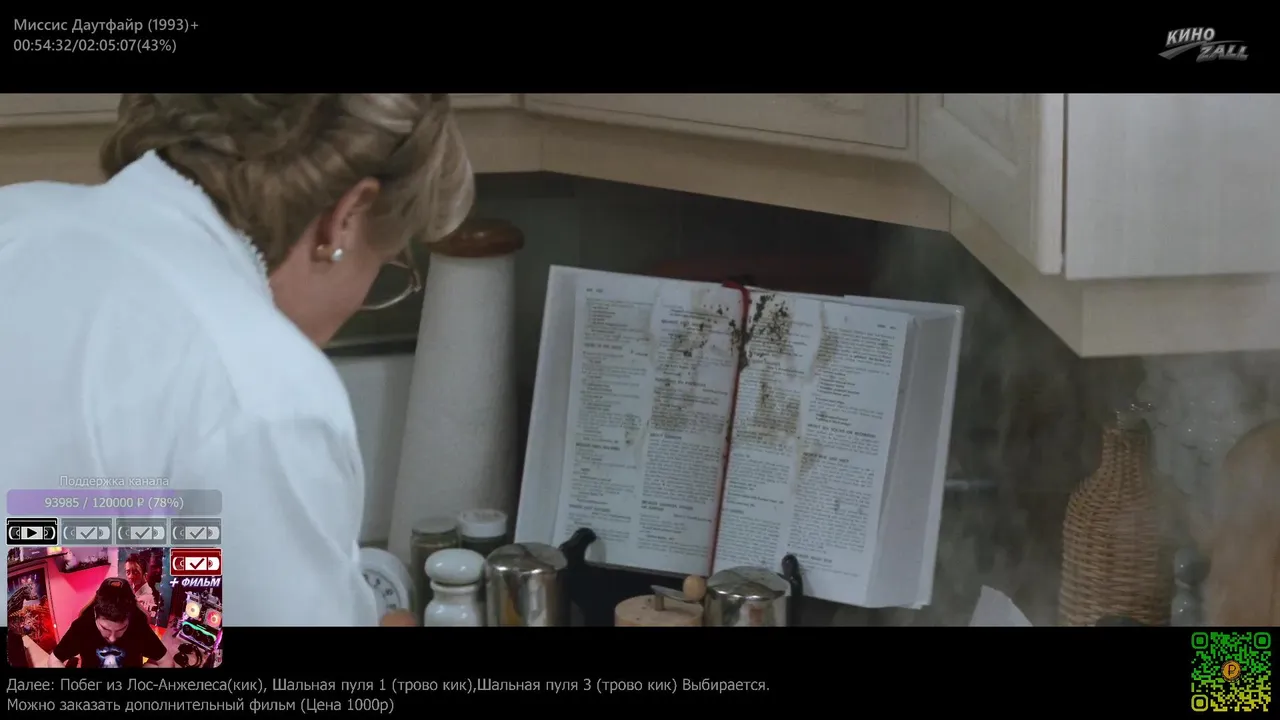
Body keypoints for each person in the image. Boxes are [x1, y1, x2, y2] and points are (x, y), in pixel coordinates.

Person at [0, 95, 474, 626]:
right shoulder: (259, 387)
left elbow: (47, 626)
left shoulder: (16, 219)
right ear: (346, 219)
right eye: (382, 263)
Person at [48, 578, 169, 668]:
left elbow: (166, 661)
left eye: (121, 629)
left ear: (130, 617)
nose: (112, 638)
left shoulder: (138, 624)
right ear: (95, 613)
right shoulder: (82, 626)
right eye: (105, 629)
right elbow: (54, 659)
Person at [124, 553, 163, 622]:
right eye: (128, 572)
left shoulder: (150, 597)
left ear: (144, 574)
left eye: (135, 572)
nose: (130, 576)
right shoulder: (128, 592)